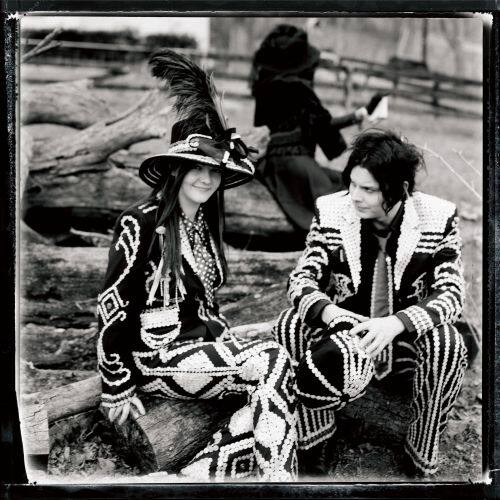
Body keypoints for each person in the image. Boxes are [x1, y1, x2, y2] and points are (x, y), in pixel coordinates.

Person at [96, 49, 297, 481]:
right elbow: (113, 305)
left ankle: (193, 478)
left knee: (275, 381)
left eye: (215, 172)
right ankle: (281, 483)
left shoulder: (204, 224)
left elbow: (206, 304)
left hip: (200, 349)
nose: (206, 179)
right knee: (272, 361)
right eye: (195, 168)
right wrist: (117, 385)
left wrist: (226, 340)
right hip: (156, 356)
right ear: (175, 168)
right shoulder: (141, 223)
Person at [274, 129, 467, 477]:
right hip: (345, 339)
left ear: (400, 189)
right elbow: (301, 279)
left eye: (369, 189)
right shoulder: (331, 210)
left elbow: (452, 292)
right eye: (352, 183)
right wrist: (330, 312)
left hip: (405, 342)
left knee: (448, 342)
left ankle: (420, 452)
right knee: (290, 323)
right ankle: (316, 438)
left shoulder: (439, 217)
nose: (355, 196)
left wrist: (396, 323)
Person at [250, 24, 387, 236]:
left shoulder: (264, 86)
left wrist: (358, 115)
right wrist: (360, 115)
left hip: (272, 164)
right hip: (295, 165)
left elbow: (309, 126)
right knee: (339, 201)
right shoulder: (298, 89)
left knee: (344, 183)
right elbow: (322, 127)